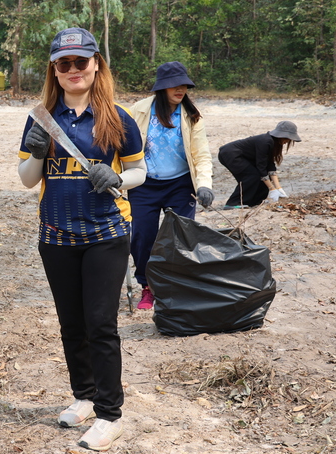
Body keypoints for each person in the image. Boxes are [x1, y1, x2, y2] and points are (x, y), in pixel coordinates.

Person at [18, 27, 146, 452]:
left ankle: (111, 414)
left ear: (96, 65)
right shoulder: (41, 118)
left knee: (101, 324)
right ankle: (85, 396)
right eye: (63, 63)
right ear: (54, 70)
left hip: (106, 234)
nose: (73, 70)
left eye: (81, 62)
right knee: (71, 324)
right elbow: (26, 180)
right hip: (55, 236)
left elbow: (140, 172)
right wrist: (37, 152)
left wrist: (118, 177)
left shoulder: (118, 117)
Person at [128, 61, 213, 310]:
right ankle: (148, 286)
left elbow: (201, 155)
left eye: (185, 84)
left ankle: (177, 286)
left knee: (181, 237)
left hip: (180, 185)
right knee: (142, 237)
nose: (181, 89)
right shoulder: (138, 111)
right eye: (175, 85)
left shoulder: (192, 116)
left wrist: (204, 185)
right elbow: (120, 146)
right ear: (161, 88)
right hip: (144, 184)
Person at [218, 120, 301, 209]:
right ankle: (233, 203)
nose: (287, 141)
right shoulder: (265, 141)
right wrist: (272, 189)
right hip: (230, 154)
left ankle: (254, 202)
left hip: (240, 156)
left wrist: (278, 188)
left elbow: (270, 165)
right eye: (287, 138)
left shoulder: (274, 143)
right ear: (280, 135)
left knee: (262, 178)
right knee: (252, 176)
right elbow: (261, 167)